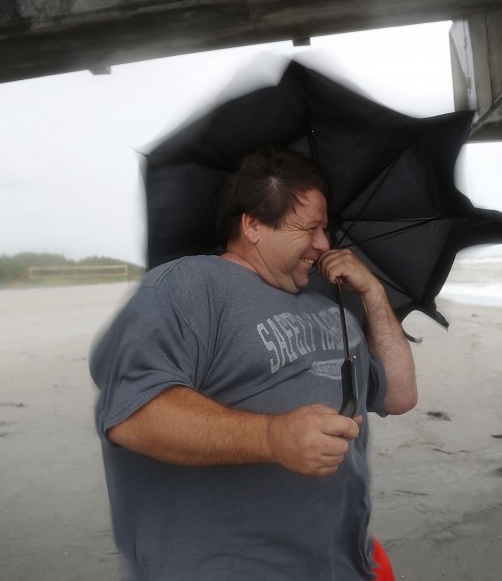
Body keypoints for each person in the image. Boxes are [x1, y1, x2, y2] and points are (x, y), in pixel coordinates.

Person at [90, 147, 417, 579]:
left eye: (326, 228)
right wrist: (272, 436)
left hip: (340, 560)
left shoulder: (326, 301)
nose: (324, 244)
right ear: (254, 225)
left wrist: (373, 293)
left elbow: (400, 394)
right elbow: (133, 414)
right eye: (311, 228)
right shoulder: (188, 285)